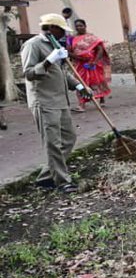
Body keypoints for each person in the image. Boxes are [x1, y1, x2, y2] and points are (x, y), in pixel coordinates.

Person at [21, 14, 92, 192]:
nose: (62, 34)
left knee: (68, 138)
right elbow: (28, 74)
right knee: (53, 142)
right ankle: (62, 181)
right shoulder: (33, 45)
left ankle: (46, 177)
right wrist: (47, 61)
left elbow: (62, 71)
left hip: (60, 100)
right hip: (44, 101)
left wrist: (79, 86)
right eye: (60, 29)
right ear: (51, 27)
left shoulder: (55, 45)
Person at [68, 19, 112, 111]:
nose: (79, 28)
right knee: (79, 83)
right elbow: (68, 51)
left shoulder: (92, 37)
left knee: (96, 81)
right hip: (79, 64)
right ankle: (81, 104)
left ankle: (101, 98)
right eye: (77, 26)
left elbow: (100, 49)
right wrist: (78, 57)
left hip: (92, 63)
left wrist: (95, 61)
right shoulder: (72, 38)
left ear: (85, 26)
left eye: (81, 26)